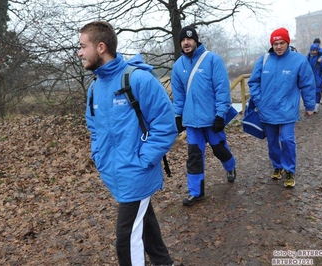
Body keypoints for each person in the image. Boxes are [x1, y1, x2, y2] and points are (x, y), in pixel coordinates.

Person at [79, 21, 176, 266]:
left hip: (136, 173)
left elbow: (165, 126)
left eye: (82, 46)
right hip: (115, 173)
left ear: (101, 47)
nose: (79, 52)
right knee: (144, 222)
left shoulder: (139, 80)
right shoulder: (95, 88)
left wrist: (142, 161)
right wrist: (99, 155)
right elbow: (94, 128)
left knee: (126, 239)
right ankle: (164, 262)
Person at [171, 25, 236, 206]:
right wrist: (178, 116)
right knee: (194, 156)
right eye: (183, 40)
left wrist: (220, 115)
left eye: (189, 39)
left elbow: (222, 89)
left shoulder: (212, 60)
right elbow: (179, 95)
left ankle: (230, 167)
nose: (186, 42)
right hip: (192, 122)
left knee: (219, 149)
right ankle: (196, 192)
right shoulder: (178, 66)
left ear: (196, 41)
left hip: (212, 119)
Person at [248, 27, 316, 188]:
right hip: (267, 109)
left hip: (287, 109)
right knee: (272, 141)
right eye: (276, 43)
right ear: (272, 44)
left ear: (288, 43)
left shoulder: (298, 60)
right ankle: (277, 165)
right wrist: (259, 100)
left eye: (282, 43)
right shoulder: (264, 60)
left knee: (287, 139)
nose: (279, 46)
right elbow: (253, 82)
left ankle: (289, 170)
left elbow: (307, 83)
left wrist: (309, 105)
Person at [306, 43, 322, 113]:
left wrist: (321, 62)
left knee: (317, 92)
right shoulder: (308, 57)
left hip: (319, 77)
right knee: (309, 92)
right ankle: (311, 105)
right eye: (313, 50)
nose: (314, 52)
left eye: (316, 50)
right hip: (310, 78)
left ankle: (316, 105)